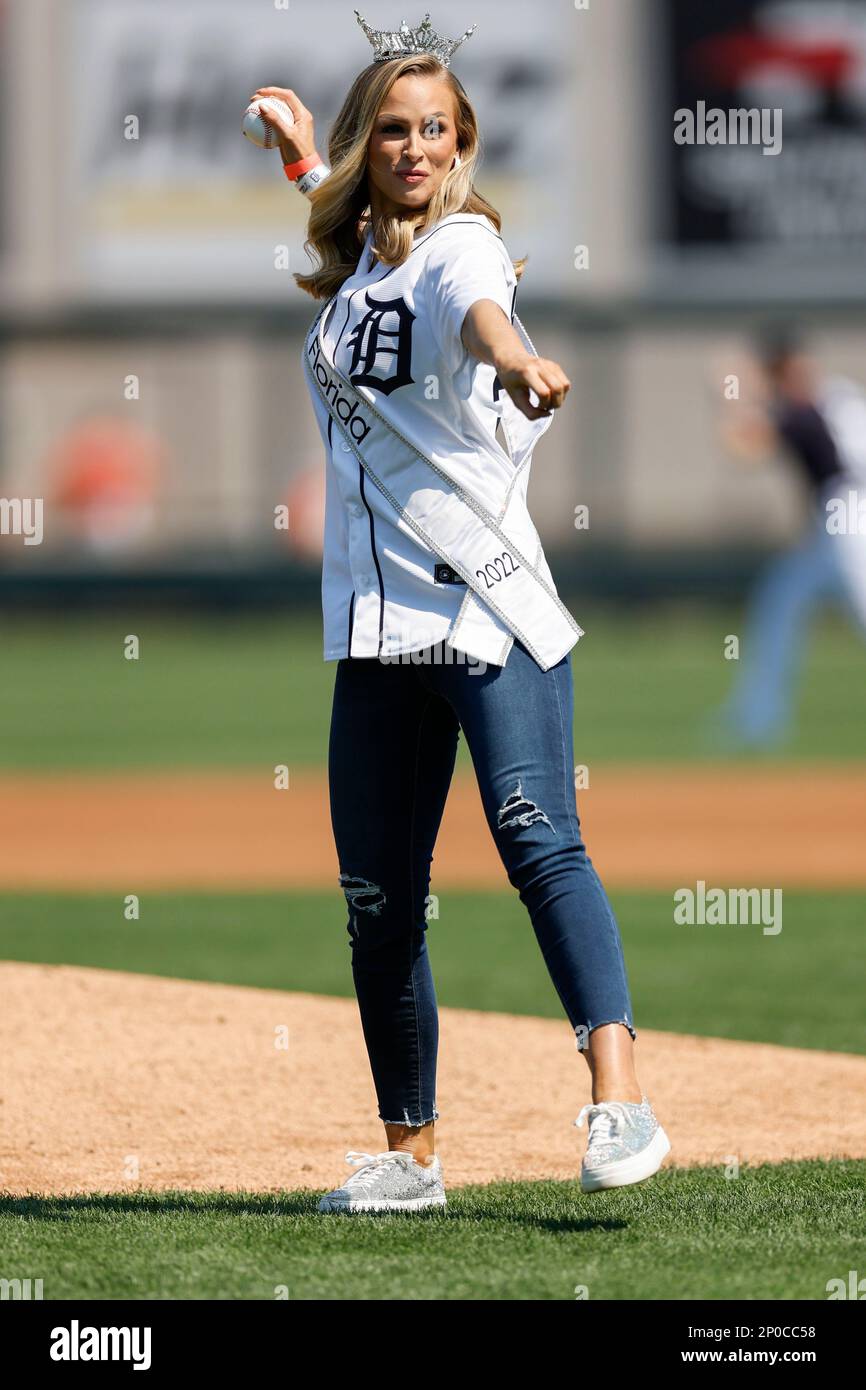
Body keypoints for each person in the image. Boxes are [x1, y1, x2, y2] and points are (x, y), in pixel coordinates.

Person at [252, 9, 670, 1212]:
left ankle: (618, 1099)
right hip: (376, 633)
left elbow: (475, 309)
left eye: (436, 128)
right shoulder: (366, 269)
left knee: (540, 840)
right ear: (366, 142)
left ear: (463, 141)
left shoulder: (464, 255)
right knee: (378, 901)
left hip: (485, 614)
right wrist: (300, 169)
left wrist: (514, 358)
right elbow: (363, 271)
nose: (416, 146)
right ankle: (411, 1157)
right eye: (393, 128)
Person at [710, 327, 866, 748]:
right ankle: (757, 719)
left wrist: (729, 395)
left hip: (850, 521)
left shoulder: (806, 406)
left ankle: (758, 718)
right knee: (778, 600)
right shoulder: (835, 396)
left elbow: (746, 445)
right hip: (833, 524)